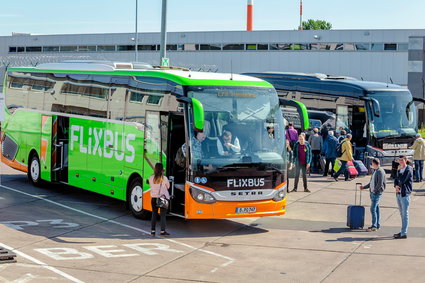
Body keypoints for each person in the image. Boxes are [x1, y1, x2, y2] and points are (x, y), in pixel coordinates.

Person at [360, 158, 386, 231]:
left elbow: (379, 184)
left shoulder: (380, 171)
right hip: (373, 192)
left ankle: (374, 225)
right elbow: (372, 182)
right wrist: (364, 187)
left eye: (372, 164)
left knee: (373, 209)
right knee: (376, 209)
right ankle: (377, 224)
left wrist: (374, 191)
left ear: (374, 164)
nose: (372, 165)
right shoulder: (376, 171)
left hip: (376, 193)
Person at [393, 155, 413, 239]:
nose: (400, 162)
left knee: (405, 214)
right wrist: (395, 186)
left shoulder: (408, 169)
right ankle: (402, 231)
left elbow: (403, 180)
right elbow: (395, 179)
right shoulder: (400, 169)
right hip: (398, 193)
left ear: (406, 160)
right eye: (399, 160)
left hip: (405, 194)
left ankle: (404, 233)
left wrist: (399, 170)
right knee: (402, 214)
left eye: (402, 160)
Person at [149, 163, 170, 237]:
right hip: (162, 199)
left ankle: (152, 231)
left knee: (154, 214)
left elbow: (151, 186)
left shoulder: (151, 178)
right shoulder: (164, 178)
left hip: (154, 198)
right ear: (162, 170)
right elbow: (168, 187)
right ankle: (162, 231)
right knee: (163, 215)